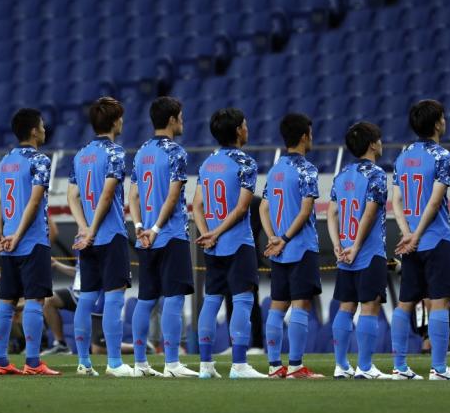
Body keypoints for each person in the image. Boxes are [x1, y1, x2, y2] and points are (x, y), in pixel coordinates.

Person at [390, 100, 450, 381]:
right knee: (439, 302)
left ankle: (399, 367)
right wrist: (418, 234)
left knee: (406, 303)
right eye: (443, 118)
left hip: (408, 242)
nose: (445, 121)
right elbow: (434, 203)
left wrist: (407, 233)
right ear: (437, 124)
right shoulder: (443, 157)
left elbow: (396, 200)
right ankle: (439, 368)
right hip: (434, 239)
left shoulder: (403, 155)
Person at [193, 107, 265, 379]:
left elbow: (197, 205)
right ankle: (239, 365)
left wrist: (206, 233)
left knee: (211, 302)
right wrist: (218, 232)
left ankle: (205, 366)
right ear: (238, 131)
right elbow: (242, 208)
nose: (247, 129)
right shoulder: (245, 163)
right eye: (245, 125)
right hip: (238, 242)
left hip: (212, 247)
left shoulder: (207, 164)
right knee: (243, 301)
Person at [128, 96, 197, 377]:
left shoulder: (142, 151)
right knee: (174, 297)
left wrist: (140, 227)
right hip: (169, 234)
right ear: (171, 119)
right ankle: (171, 363)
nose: (182, 121)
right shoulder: (177, 153)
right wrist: (156, 228)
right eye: (180, 116)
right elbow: (172, 196)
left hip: (144, 238)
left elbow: (131, 194)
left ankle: (140, 363)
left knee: (145, 299)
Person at [0, 108, 60, 376]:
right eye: (42, 125)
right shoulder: (40, 160)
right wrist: (19, 234)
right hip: (31, 241)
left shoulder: (5, 161)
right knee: (34, 299)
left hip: (6, 242)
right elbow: (34, 201)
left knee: (6, 300)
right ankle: (33, 362)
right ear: (33, 130)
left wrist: (0, 233)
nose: (44, 130)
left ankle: (0, 360)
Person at [69, 97, 134, 377]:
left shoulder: (81, 155)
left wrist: (83, 228)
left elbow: (72, 195)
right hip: (110, 234)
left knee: (86, 298)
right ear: (114, 121)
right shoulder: (116, 153)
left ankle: (84, 362)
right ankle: (115, 363)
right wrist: (93, 229)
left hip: (88, 238)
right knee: (114, 297)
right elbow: (107, 195)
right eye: (120, 117)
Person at [258, 113, 324, 379]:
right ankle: (296, 365)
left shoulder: (275, 170)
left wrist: (273, 237)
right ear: (304, 136)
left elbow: (263, 208)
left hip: (279, 250)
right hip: (300, 247)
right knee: (300, 305)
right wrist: (284, 238)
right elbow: (306, 209)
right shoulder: (306, 169)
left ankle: (275, 366)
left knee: (277, 305)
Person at [328, 122, 390, 380]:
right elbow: (370, 211)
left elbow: (331, 212)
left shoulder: (342, 175)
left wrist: (338, 245)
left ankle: (341, 364)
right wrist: (355, 246)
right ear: (373, 144)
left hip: (345, 254)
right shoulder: (377, 175)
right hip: (369, 252)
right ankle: (365, 367)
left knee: (346, 307)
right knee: (369, 307)